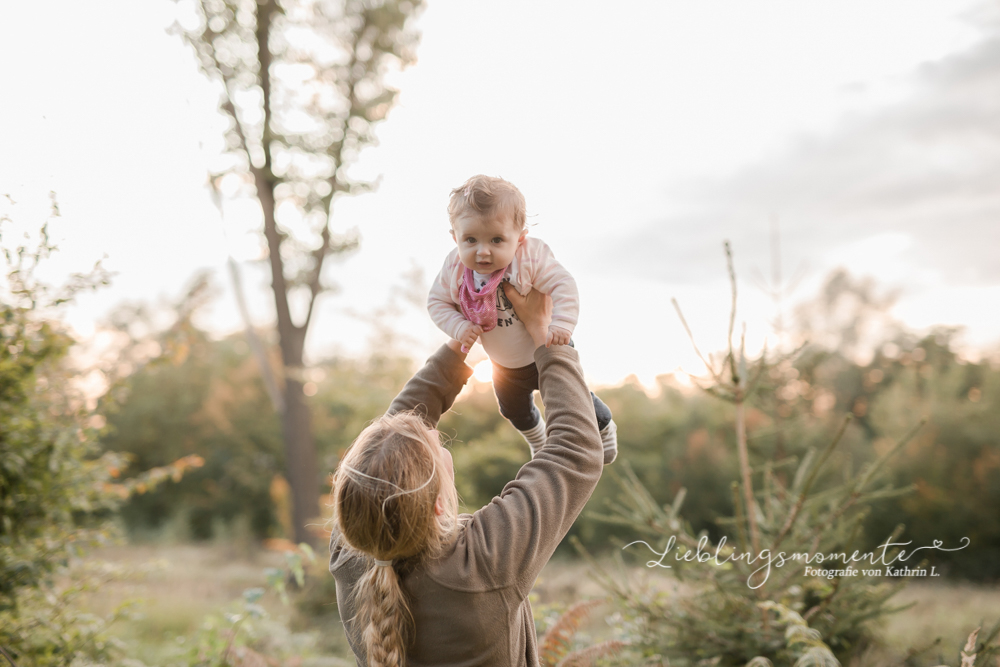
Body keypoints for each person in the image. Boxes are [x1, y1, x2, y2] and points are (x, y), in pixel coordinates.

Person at [330, 285, 605, 667]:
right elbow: (575, 450)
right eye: (438, 447)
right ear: (439, 504)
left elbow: (387, 448)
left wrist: (463, 341)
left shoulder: (352, 553)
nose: (436, 436)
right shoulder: (482, 563)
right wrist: (546, 336)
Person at [427, 174, 617, 464]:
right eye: (470, 239)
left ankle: (604, 426)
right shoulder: (454, 267)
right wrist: (459, 326)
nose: (483, 251)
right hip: (503, 365)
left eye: (497, 239)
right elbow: (437, 302)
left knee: (572, 399)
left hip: (545, 347)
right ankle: (537, 438)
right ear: (455, 237)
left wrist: (562, 325)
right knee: (512, 409)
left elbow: (563, 285)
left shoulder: (529, 258)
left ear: (520, 238)